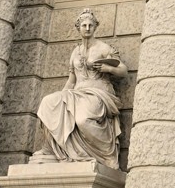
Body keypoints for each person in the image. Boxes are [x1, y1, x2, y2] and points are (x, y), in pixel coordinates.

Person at [35, 9, 127, 168]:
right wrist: (62, 97)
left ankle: (106, 156)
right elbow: (71, 80)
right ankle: (52, 148)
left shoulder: (104, 48)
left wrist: (108, 69)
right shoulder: (75, 52)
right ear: (78, 28)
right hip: (76, 92)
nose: (87, 28)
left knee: (83, 120)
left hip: (98, 93)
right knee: (48, 102)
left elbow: (123, 70)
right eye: (84, 25)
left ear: (95, 27)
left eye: (91, 25)